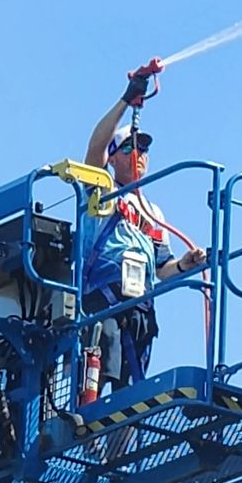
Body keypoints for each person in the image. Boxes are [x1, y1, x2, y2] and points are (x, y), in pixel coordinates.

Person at [82, 72, 207, 391]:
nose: (139, 155)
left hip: (140, 307)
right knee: (98, 378)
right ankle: (87, 438)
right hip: (104, 301)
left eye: (144, 150)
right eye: (129, 149)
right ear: (113, 159)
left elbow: (162, 268)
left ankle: (120, 443)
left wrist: (185, 264)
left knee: (132, 390)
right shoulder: (103, 190)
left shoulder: (154, 213)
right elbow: (95, 148)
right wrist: (127, 99)